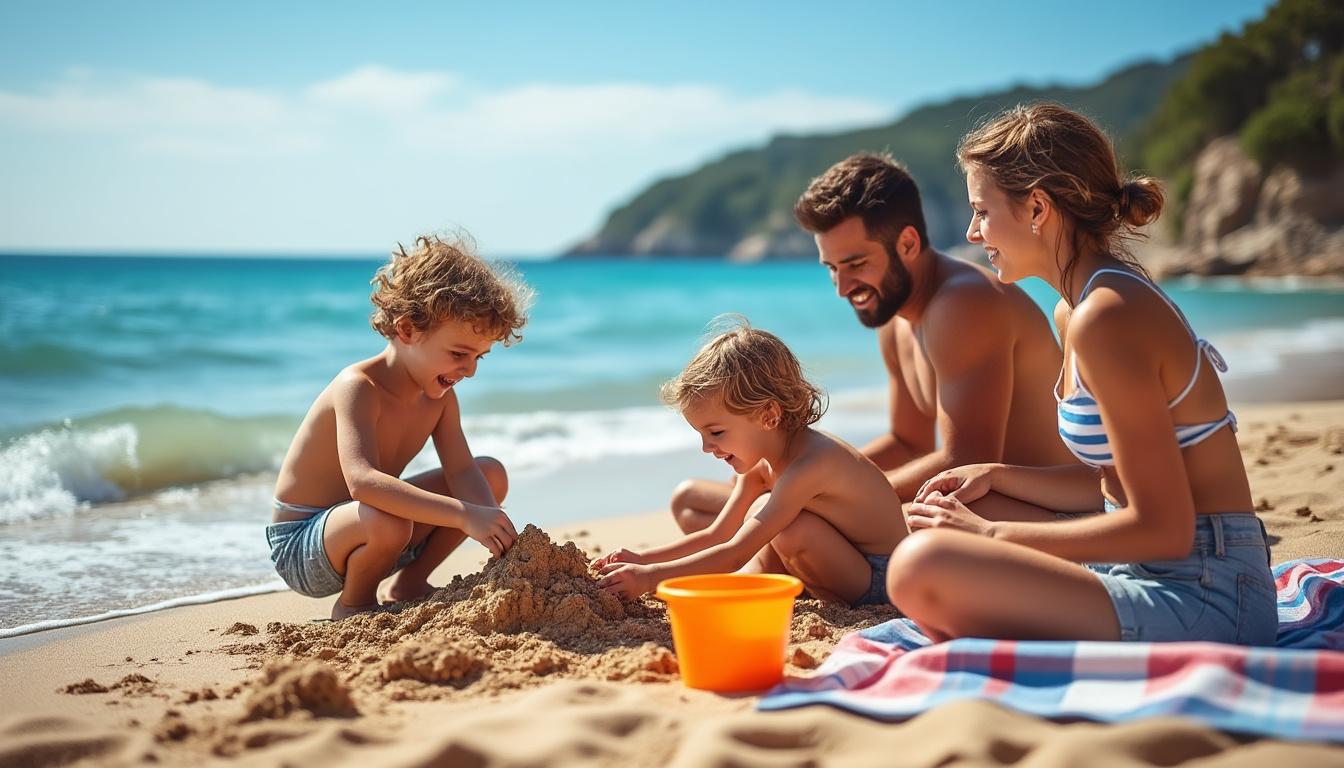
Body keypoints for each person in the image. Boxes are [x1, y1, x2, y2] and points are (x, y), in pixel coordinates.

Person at [886, 102, 1276, 645]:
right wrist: (998, 475)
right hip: (1148, 566)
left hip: (1208, 591)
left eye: (982, 211)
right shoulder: (1074, 310)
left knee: (919, 567)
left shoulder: (1107, 317)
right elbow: (1114, 485)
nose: (974, 233)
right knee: (956, 510)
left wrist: (993, 534)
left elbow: (1164, 528)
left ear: (1038, 209)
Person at [668, 153, 1074, 535]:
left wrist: (822, 492)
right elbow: (907, 442)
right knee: (692, 502)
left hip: (1034, 514)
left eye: (856, 264)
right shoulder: (896, 316)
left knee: (787, 517)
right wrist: (808, 480)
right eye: (832, 268)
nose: (843, 287)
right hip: (973, 499)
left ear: (908, 245)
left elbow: (965, 465)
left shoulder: (962, 304)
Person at [267, 233, 533, 619]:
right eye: (459, 354)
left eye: (479, 357)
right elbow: (362, 481)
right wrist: (463, 515)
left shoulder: (440, 400)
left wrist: (494, 525)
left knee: (488, 474)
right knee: (389, 515)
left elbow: (461, 471)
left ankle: (409, 582)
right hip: (304, 547)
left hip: (383, 532)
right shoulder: (358, 387)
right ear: (407, 330)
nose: (470, 370)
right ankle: (354, 603)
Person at [596, 319, 908, 606]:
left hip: (883, 578)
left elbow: (735, 551)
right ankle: (747, 586)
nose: (706, 447)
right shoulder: (763, 465)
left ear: (768, 416)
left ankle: (793, 593)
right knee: (760, 510)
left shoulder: (812, 464)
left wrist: (649, 579)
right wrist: (643, 559)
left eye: (716, 432)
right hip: (848, 562)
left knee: (791, 529)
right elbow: (718, 535)